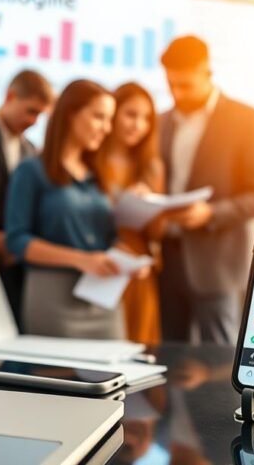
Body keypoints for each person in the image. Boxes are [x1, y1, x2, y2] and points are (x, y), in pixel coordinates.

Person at [6, 79, 149, 339]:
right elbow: (17, 241)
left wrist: (127, 259)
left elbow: (106, 239)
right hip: (52, 298)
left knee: (116, 374)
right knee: (56, 377)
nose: (106, 129)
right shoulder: (31, 171)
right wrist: (81, 259)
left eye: (109, 120)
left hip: (102, 298)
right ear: (70, 114)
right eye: (98, 117)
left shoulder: (97, 175)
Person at [158, 35, 254, 345]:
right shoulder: (162, 121)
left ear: (207, 71)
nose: (178, 94)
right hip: (166, 259)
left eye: (186, 86)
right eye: (172, 85)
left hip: (217, 262)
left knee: (220, 361)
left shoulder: (246, 120)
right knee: (168, 357)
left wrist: (211, 213)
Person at [0, 69, 55, 326]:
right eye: (31, 111)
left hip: (17, 267)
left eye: (40, 115)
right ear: (10, 96)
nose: (34, 121)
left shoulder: (32, 151)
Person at [93, 82, 166, 346]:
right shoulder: (91, 160)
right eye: (131, 114)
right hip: (100, 263)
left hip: (137, 270)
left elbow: (157, 233)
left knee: (139, 346)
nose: (139, 125)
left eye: (146, 118)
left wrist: (151, 204)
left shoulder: (151, 167)